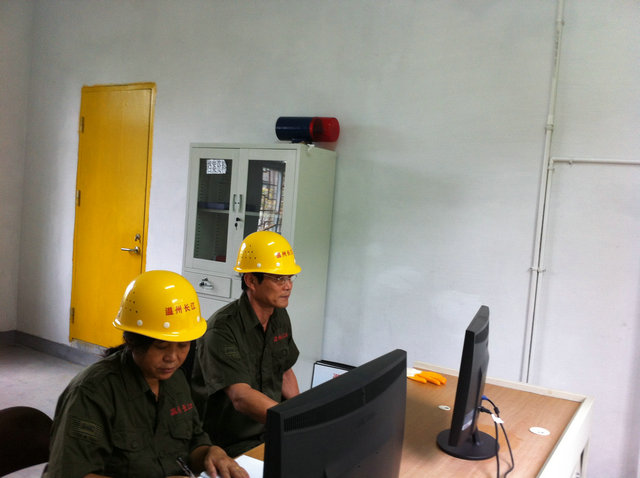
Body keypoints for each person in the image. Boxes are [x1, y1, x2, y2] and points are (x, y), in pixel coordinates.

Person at [43, 270, 248, 478]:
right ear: (133, 341)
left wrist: (210, 453)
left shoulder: (175, 379)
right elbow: (68, 474)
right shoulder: (92, 393)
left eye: (183, 345)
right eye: (161, 346)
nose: (173, 358)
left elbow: (194, 440)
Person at [191, 231, 301, 457]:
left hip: (269, 428)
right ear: (251, 280)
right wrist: (288, 420)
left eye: (290, 277)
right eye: (278, 279)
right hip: (230, 442)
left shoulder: (279, 316)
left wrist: (302, 413)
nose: (288, 286)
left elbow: (285, 372)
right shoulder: (221, 330)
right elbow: (240, 397)